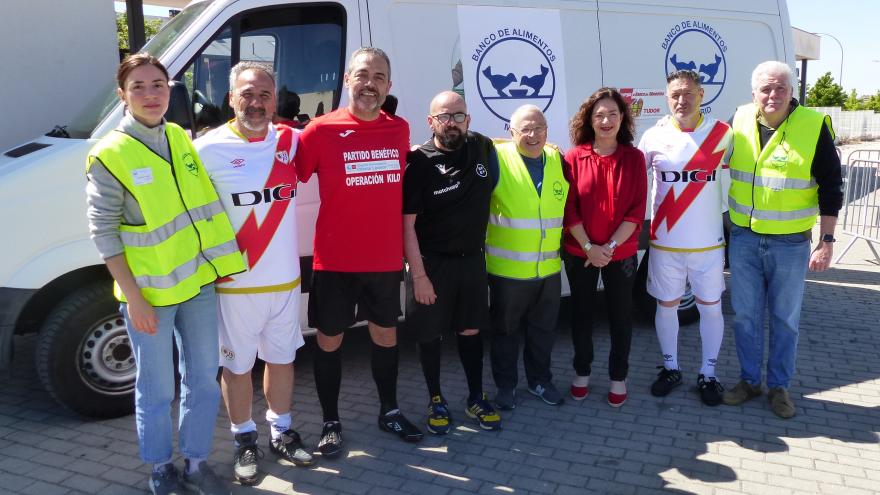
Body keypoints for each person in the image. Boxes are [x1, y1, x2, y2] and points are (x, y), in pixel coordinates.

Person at [85, 54, 245, 495]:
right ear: (123, 95)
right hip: (149, 295)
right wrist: (133, 298)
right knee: (156, 390)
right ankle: (160, 470)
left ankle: (195, 463)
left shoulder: (177, 135)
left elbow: (198, 206)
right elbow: (103, 233)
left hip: (196, 284)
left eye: (159, 84)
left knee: (202, 380)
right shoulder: (109, 154)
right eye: (139, 86)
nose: (151, 94)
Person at [295, 47, 422, 458]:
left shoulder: (398, 130)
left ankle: (390, 410)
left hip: (384, 260)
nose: (370, 84)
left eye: (380, 76)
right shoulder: (319, 130)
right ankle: (331, 422)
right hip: (334, 262)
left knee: (385, 336)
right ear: (347, 79)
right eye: (362, 75)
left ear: (389, 85)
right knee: (329, 341)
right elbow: (285, 175)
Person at [194, 62, 314, 486]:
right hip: (235, 285)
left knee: (282, 360)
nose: (257, 102)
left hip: (284, 283)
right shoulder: (206, 149)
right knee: (237, 367)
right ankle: (245, 438)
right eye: (247, 93)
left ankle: (281, 430)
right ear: (231, 98)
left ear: (275, 99)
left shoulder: (292, 141)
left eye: (265, 94)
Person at [723, 61, 842, 418]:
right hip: (743, 237)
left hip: (790, 243)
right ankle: (749, 380)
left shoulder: (812, 126)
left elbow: (832, 186)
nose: (772, 95)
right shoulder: (739, 119)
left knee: (785, 319)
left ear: (792, 91)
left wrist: (827, 240)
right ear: (754, 92)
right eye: (765, 89)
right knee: (745, 317)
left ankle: (779, 387)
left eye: (780, 88)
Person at [403, 91, 501, 434]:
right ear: (431, 121)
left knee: (471, 330)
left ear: (468, 119)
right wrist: (419, 276)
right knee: (430, 334)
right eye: (443, 116)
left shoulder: (484, 147)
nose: (451, 122)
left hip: (472, 261)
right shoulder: (417, 162)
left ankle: (475, 397)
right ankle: (435, 399)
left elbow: (511, 152)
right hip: (432, 264)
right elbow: (407, 225)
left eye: (458, 115)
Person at [637, 70, 732, 406]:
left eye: (688, 93)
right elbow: (633, 181)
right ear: (666, 97)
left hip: (707, 244)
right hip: (665, 243)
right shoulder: (652, 136)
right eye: (675, 94)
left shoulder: (724, 134)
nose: (681, 100)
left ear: (701, 94)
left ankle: (709, 373)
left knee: (711, 309)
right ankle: (671, 368)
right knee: (666, 307)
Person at [562, 88, 647, 407]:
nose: (606, 120)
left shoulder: (635, 158)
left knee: (620, 317)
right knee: (581, 315)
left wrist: (607, 247)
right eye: (599, 115)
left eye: (612, 113)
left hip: (619, 254)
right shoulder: (573, 158)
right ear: (589, 120)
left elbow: (636, 211)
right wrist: (588, 247)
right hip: (579, 253)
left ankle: (618, 377)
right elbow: (569, 209)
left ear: (622, 118)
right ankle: (581, 372)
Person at [488, 104, 568, 410]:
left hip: (547, 271)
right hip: (507, 272)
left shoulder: (558, 160)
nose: (533, 135)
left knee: (543, 333)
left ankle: (540, 381)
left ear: (547, 130)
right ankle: (505, 387)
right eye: (525, 129)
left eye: (539, 128)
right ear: (511, 132)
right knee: (505, 334)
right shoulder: (497, 158)